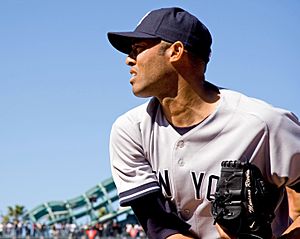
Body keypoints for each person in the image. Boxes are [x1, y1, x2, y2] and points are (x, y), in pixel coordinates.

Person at [107, 7, 300, 239]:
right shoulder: (130, 131)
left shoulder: (265, 124)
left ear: (176, 51)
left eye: (138, 49)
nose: (129, 59)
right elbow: (159, 226)